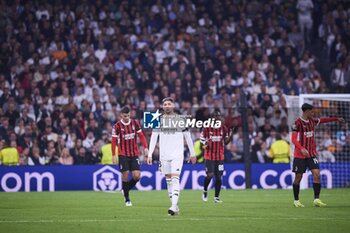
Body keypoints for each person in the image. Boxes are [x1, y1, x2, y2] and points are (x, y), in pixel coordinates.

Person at [147, 97, 197, 216]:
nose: (167, 106)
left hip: (177, 155)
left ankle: (173, 206)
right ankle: (175, 206)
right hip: (164, 156)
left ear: (173, 106)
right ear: (163, 107)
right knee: (169, 181)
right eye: (165, 104)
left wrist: (193, 153)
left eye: (169, 104)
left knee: (175, 179)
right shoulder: (157, 120)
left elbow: (188, 137)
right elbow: (153, 138)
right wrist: (149, 154)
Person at [291, 103, 345, 207]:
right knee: (298, 177)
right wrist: (302, 148)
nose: (313, 113)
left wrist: (336, 119)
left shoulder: (312, 121)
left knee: (317, 174)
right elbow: (293, 139)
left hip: (311, 154)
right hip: (300, 155)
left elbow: (323, 120)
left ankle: (316, 199)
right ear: (306, 111)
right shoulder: (297, 123)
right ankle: (296, 200)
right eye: (311, 111)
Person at [111, 106, 148, 206]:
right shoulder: (117, 126)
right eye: (124, 116)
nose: (126, 117)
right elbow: (113, 141)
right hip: (123, 154)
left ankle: (125, 189)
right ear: (121, 115)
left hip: (134, 153)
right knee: (126, 174)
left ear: (130, 114)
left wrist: (145, 147)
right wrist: (113, 155)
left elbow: (141, 136)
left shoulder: (135, 123)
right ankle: (127, 199)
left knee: (137, 176)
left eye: (128, 115)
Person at [200, 110, 233, 203]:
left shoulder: (224, 128)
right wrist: (206, 144)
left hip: (220, 156)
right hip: (209, 156)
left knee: (219, 177)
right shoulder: (206, 128)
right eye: (214, 117)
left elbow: (226, 142)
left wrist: (230, 136)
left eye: (218, 116)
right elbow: (201, 142)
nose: (216, 118)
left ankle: (216, 197)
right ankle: (205, 190)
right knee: (210, 175)